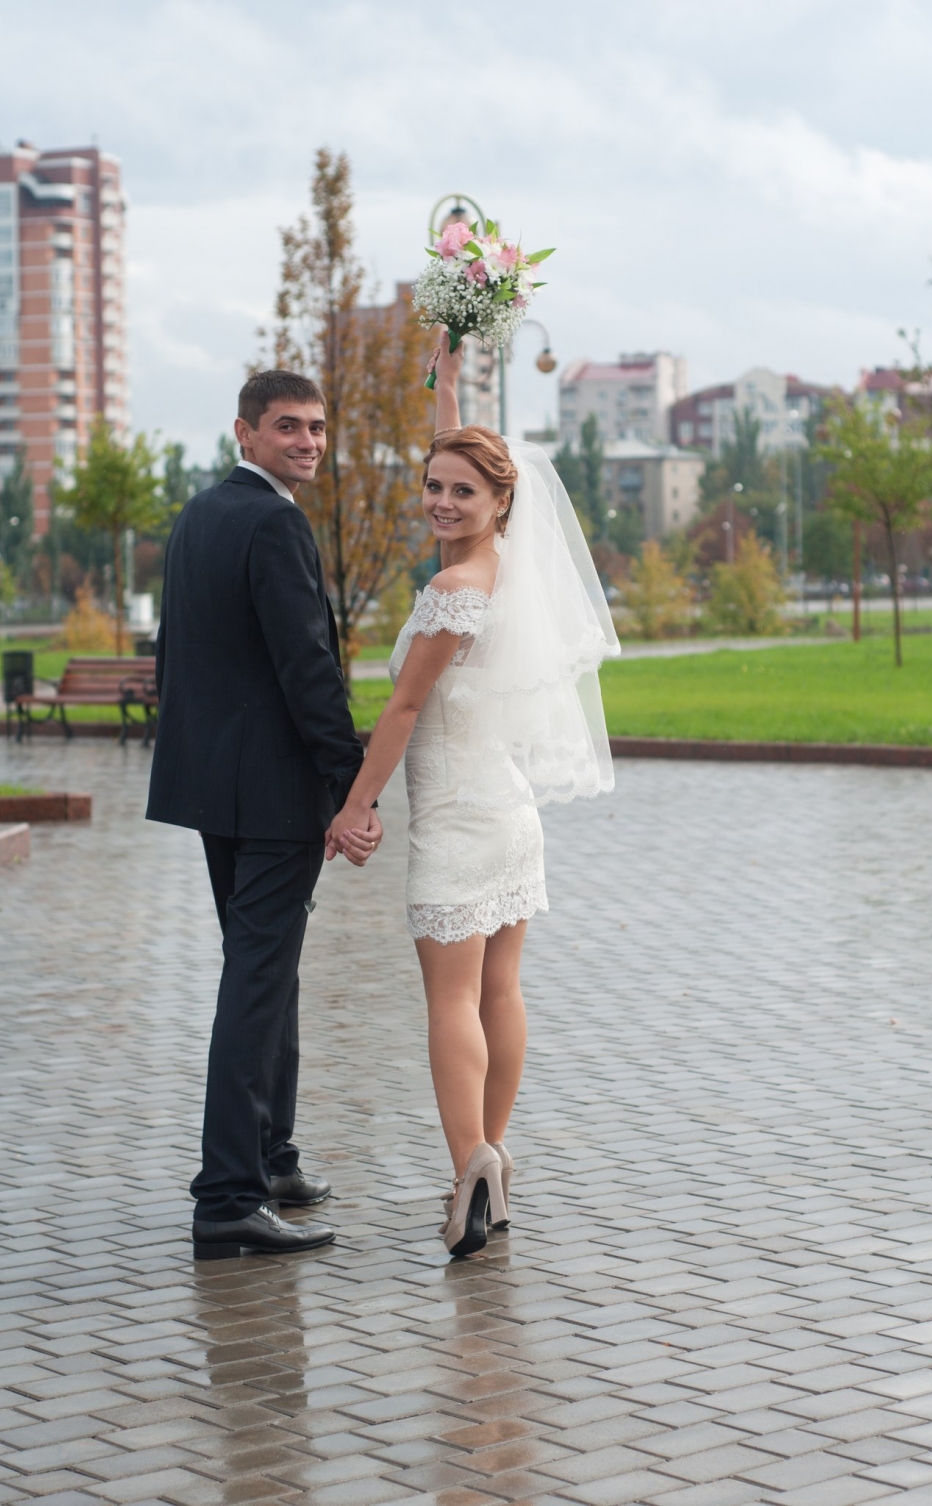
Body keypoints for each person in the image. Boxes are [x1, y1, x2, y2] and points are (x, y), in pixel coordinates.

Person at [327, 331, 619, 1256]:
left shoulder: (455, 588)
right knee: (500, 989)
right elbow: (464, 458)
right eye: (433, 485)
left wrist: (356, 806)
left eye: (462, 490)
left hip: (457, 819)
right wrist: (448, 386)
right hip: (511, 815)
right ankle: (494, 1159)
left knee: (451, 1002)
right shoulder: (506, 571)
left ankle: (469, 1173)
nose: (442, 501)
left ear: (501, 502)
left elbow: (404, 707)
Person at [147, 369, 382, 1261]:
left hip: (214, 789)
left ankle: (270, 1158)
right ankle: (227, 1199)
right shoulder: (276, 522)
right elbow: (307, 669)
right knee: (255, 981)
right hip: (274, 796)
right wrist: (351, 788)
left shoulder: (200, 515)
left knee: (265, 971)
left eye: (319, 427)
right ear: (244, 434)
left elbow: (189, 656)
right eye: (288, 427)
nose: (308, 442)